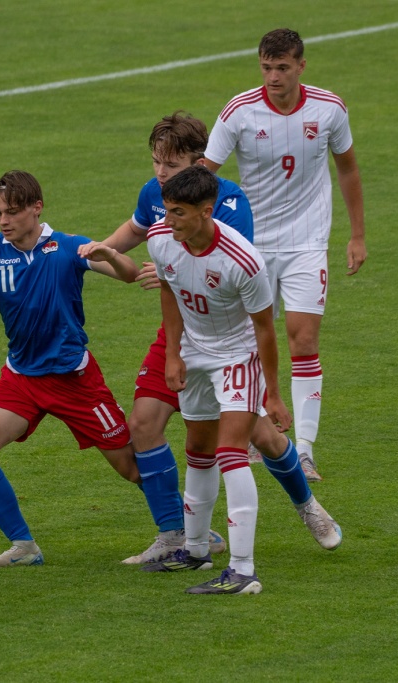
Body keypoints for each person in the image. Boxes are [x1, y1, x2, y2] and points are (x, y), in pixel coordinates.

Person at [0, 169, 179, 568]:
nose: (4, 221)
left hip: (75, 381)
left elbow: (129, 275)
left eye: (11, 212)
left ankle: (186, 531)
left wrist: (110, 253)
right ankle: (24, 547)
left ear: (36, 208)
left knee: (131, 467)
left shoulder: (67, 248)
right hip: (22, 378)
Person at [143, 165, 341, 595]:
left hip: (237, 355)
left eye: (178, 212)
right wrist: (174, 354)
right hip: (194, 353)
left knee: (230, 450)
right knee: (197, 447)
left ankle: (243, 571)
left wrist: (272, 392)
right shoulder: (161, 239)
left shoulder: (243, 261)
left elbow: (266, 329)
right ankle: (195, 550)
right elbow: (168, 290)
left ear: (206, 211)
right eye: (167, 210)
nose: (168, 220)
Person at [203, 28, 367, 482]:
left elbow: (348, 168)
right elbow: (202, 176)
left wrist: (356, 236)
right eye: (266, 67)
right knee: (253, 340)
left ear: (300, 66)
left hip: (306, 242)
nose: (273, 77)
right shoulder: (238, 112)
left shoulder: (329, 109)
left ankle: (306, 450)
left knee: (302, 340)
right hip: (250, 245)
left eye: (281, 68)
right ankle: (262, 438)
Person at [101, 111, 253, 564]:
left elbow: (224, 269)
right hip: (178, 333)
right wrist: (90, 253)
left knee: (258, 440)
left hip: (227, 341)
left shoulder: (229, 202)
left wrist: (168, 269)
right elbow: (133, 232)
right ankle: (178, 535)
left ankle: (306, 506)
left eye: (170, 164)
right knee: (144, 425)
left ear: (199, 161)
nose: (161, 174)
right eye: (155, 163)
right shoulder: (154, 195)